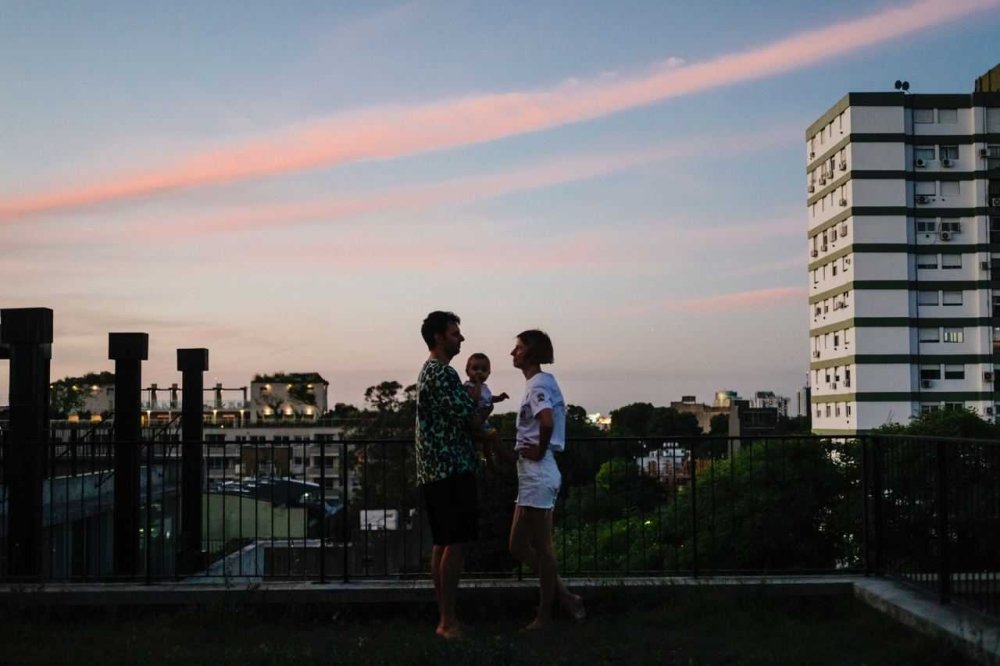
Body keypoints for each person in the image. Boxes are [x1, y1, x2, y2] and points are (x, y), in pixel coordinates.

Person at [507, 329, 585, 630]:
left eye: (519, 348)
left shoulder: (538, 384)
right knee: (516, 545)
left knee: (543, 548)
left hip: (538, 472)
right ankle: (566, 596)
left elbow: (547, 420)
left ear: (532, 352)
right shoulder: (541, 382)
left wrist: (538, 450)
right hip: (531, 474)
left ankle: (544, 615)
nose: (513, 353)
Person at [415, 311, 481, 640]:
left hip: (435, 471)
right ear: (440, 337)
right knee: (453, 544)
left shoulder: (429, 372)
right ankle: (447, 622)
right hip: (450, 469)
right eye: (456, 333)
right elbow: (469, 418)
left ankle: (445, 618)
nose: (461, 338)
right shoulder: (442, 373)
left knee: (443, 543)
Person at [463, 352, 509, 468]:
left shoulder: (485, 387)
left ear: (489, 373)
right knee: (493, 435)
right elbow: (475, 399)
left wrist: (499, 398)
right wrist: (478, 383)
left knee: (487, 443)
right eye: (475, 369)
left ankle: (490, 463)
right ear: (467, 371)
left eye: (483, 370)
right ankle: (506, 455)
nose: (479, 372)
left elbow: (488, 399)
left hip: (484, 422)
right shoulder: (469, 386)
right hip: (475, 423)